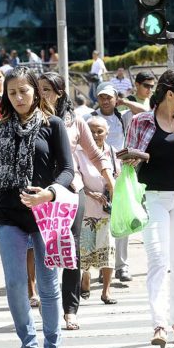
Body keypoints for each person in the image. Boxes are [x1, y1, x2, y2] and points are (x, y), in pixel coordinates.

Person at [0, 66, 74, 348]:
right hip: (9, 216)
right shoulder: (0, 129)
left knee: (48, 285)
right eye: (12, 92)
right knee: (16, 286)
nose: (18, 97)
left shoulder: (53, 125)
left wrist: (50, 193)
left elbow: (67, 170)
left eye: (24, 91)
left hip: (46, 214)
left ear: (36, 92)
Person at [38, 71, 114, 331]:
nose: (41, 94)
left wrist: (109, 179)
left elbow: (95, 154)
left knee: (72, 248)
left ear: (59, 93)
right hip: (41, 192)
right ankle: (48, 301)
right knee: (45, 248)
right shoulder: (31, 120)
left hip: (72, 189)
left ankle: (70, 309)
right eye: (39, 89)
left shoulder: (75, 122)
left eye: (47, 89)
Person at [125, 69, 174, 348]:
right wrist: (133, 158)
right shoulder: (141, 121)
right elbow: (127, 160)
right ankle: (159, 324)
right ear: (170, 94)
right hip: (152, 197)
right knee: (157, 260)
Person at [87, 83, 131, 283]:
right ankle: (102, 267)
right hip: (94, 175)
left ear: (115, 98)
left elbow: (145, 110)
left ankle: (121, 266)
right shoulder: (89, 118)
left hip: (118, 174)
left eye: (109, 97)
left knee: (121, 221)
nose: (105, 101)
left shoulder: (123, 116)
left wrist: (124, 101)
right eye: (101, 97)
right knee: (98, 223)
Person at [78, 116, 121, 306]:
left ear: (107, 132)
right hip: (86, 210)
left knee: (108, 250)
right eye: (91, 131)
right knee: (85, 250)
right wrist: (91, 193)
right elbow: (75, 179)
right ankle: (86, 277)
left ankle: (106, 291)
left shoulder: (113, 153)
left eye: (99, 131)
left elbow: (118, 178)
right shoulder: (78, 152)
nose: (95, 135)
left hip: (107, 211)